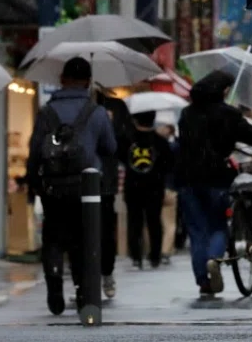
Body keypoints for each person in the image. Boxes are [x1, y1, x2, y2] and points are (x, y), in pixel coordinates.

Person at [27, 58, 116, 315]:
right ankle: (81, 288)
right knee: (83, 238)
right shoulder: (96, 112)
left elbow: (35, 152)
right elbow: (110, 149)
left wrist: (34, 182)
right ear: (88, 82)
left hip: (53, 187)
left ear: (62, 79)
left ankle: (54, 283)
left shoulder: (46, 112)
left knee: (53, 237)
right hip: (87, 188)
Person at [177, 70, 252, 295]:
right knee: (218, 226)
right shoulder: (228, 114)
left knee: (197, 231)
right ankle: (214, 260)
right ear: (224, 90)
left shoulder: (187, 114)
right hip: (218, 179)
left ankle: (203, 282)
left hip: (188, 180)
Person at [121, 111, 174, 269]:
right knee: (154, 222)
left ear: (136, 121)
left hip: (133, 186)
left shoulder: (127, 140)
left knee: (134, 221)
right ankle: (155, 257)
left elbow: (119, 156)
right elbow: (169, 163)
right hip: (155, 187)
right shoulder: (160, 142)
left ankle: (136, 256)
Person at [96, 91, 132, 298]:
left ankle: (106, 272)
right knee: (82, 231)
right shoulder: (74, 105)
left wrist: (110, 128)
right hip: (81, 178)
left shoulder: (115, 108)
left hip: (104, 180)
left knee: (105, 229)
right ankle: (83, 279)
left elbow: (124, 142)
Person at [157, 122, 180, 263]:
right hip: (169, 187)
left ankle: (163, 250)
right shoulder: (176, 147)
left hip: (164, 187)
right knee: (169, 223)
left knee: (164, 222)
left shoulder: (163, 147)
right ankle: (166, 251)